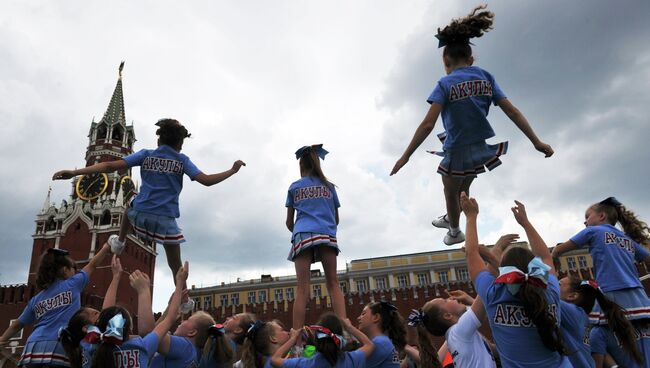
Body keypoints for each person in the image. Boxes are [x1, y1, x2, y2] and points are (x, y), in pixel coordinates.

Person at [390, 5, 553, 245]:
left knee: (449, 191)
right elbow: (512, 111)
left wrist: (405, 157)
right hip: (478, 148)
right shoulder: (486, 76)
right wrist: (536, 142)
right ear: (471, 58)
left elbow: (427, 125)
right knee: (462, 191)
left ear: (446, 60)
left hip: (456, 148)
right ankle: (452, 216)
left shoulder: (445, 84)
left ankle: (454, 230)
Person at [53, 118, 245, 312]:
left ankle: (119, 242)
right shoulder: (182, 160)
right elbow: (206, 180)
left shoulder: (146, 155)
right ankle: (184, 299)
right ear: (180, 144)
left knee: (129, 206)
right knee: (175, 265)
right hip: (165, 222)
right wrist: (232, 170)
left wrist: (74, 173)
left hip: (140, 214)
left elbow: (109, 166)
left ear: (159, 141)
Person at [460, 193, 570, 367]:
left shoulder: (493, 294)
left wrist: (471, 216)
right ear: (536, 268)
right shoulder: (550, 289)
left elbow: (471, 253)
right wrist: (525, 223)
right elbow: (545, 255)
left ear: (503, 271)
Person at [0, 244, 110, 367]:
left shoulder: (36, 299)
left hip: (32, 346)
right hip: (59, 344)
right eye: (73, 268)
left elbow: (17, 324)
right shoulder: (73, 284)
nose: (75, 271)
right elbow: (92, 265)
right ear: (64, 270)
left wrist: (2, 340)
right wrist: (106, 247)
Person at [552, 197, 650, 324]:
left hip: (612, 290)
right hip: (638, 292)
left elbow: (558, 250)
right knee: (643, 330)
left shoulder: (592, 231)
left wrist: (553, 259)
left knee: (601, 330)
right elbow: (648, 259)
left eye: (587, 216)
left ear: (602, 216)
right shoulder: (627, 239)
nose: (585, 222)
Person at [286, 144, 346, 329]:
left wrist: (299, 230)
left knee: (302, 288)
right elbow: (336, 218)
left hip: (302, 233)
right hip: (327, 234)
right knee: (333, 283)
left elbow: (289, 222)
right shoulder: (329, 187)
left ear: (301, 165)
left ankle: (296, 337)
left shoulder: (294, 187)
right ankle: (345, 330)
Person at [85, 262, 188, 368]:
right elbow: (156, 327)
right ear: (130, 328)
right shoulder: (141, 346)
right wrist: (179, 283)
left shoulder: (94, 347)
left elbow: (106, 315)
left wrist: (115, 277)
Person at [559, 276, 642, 368]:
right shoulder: (586, 319)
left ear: (572, 296)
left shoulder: (573, 312)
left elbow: (547, 295)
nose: (555, 285)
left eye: (559, 284)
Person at [408, 288, 497, 368]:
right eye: (446, 300)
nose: (451, 298)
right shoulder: (459, 331)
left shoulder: (456, 334)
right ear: (448, 315)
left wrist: (469, 300)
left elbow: (484, 310)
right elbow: (484, 291)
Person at [271, 313, 375, 368]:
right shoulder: (352, 360)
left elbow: (275, 360)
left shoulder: (306, 364)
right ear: (341, 337)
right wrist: (350, 327)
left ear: (316, 339)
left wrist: (293, 339)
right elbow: (369, 345)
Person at [151, 311, 230, 368]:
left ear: (192, 332)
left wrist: (143, 291)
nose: (182, 320)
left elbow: (149, 334)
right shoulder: (194, 353)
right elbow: (153, 333)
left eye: (188, 320)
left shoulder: (184, 346)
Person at [357, 301, 405, 368]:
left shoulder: (380, 343)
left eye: (363, 314)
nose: (358, 318)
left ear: (376, 317)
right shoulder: (383, 341)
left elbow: (351, 363)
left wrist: (349, 327)